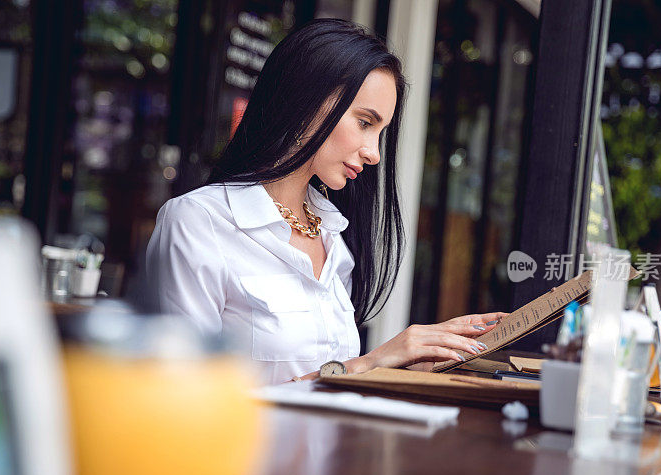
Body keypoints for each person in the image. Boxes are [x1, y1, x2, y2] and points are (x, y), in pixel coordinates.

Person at [146, 19, 506, 384]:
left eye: (381, 133)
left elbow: (326, 387)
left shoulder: (333, 236)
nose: (374, 154)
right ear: (306, 101)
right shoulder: (198, 223)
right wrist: (369, 362)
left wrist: (405, 366)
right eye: (365, 123)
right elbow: (184, 401)